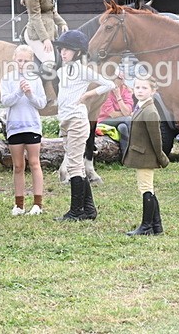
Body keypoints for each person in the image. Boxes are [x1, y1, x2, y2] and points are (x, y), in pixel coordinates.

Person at [52, 30, 114, 221]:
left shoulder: (83, 70)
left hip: (77, 120)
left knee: (74, 165)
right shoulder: (62, 71)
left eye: (68, 50)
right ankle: (88, 209)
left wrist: (88, 95)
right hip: (65, 120)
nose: (63, 53)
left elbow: (109, 84)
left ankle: (75, 210)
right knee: (74, 163)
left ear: (78, 52)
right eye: (62, 49)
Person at [0, 45, 47, 216]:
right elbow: (5, 101)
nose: (22, 64)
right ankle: (19, 204)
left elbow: (41, 103)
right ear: (14, 59)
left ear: (32, 61)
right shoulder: (7, 79)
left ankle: (38, 203)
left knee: (34, 163)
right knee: (18, 166)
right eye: (20, 60)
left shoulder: (36, 79)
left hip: (32, 125)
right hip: (14, 127)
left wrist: (30, 95)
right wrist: (19, 92)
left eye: (26, 61)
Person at [123, 74, 169, 236]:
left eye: (144, 88)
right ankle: (156, 226)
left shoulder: (150, 111)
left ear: (153, 91)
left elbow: (156, 139)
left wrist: (161, 157)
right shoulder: (141, 106)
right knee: (147, 188)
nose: (140, 91)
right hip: (142, 155)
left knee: (146, 189)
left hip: (146, 157)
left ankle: (146, 226)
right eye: (137, 87)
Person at [21, 0, 68, 75]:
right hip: (36, 35)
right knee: (49, 61)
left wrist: (62, 23)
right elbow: (35, 17)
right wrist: (45, 38)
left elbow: (52, 12)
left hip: (49, 32)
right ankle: (35, 84)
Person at [96, 69, 134, 155]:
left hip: (121, 120)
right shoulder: (106, 92)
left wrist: (118, 96)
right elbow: (113, 114)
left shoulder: (126, 91)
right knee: (128, 119)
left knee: (123, 127)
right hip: (104, 120)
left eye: (118, 78)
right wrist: (125, 113)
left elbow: (127, 111)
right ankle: (135, 150)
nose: (114, 81)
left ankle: (125, 157)